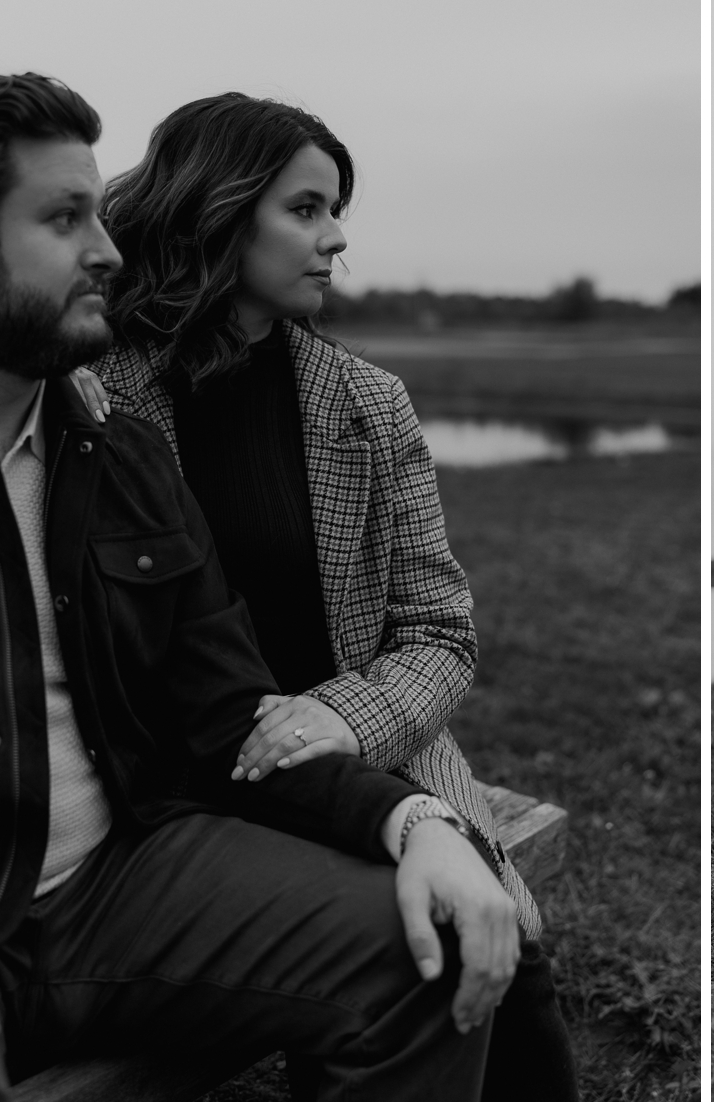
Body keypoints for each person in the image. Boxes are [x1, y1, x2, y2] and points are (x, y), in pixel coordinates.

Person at [0, 70, 520, 1100]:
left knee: (435, 945)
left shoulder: (122, 456)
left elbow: (230, 716)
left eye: (100, 212)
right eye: (64, 218)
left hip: (126, 887)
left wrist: (412, 823)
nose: (106, 248)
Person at [87, 92, 575, 1099]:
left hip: (371, 752)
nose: (335, 237)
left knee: (502, 962)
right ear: (219, 212)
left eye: (335, 210)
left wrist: (333, 719)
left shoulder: (367, 401)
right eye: (304, 209)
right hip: (179, 777)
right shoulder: (92, 394)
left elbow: (439, 631)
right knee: (402, 949)